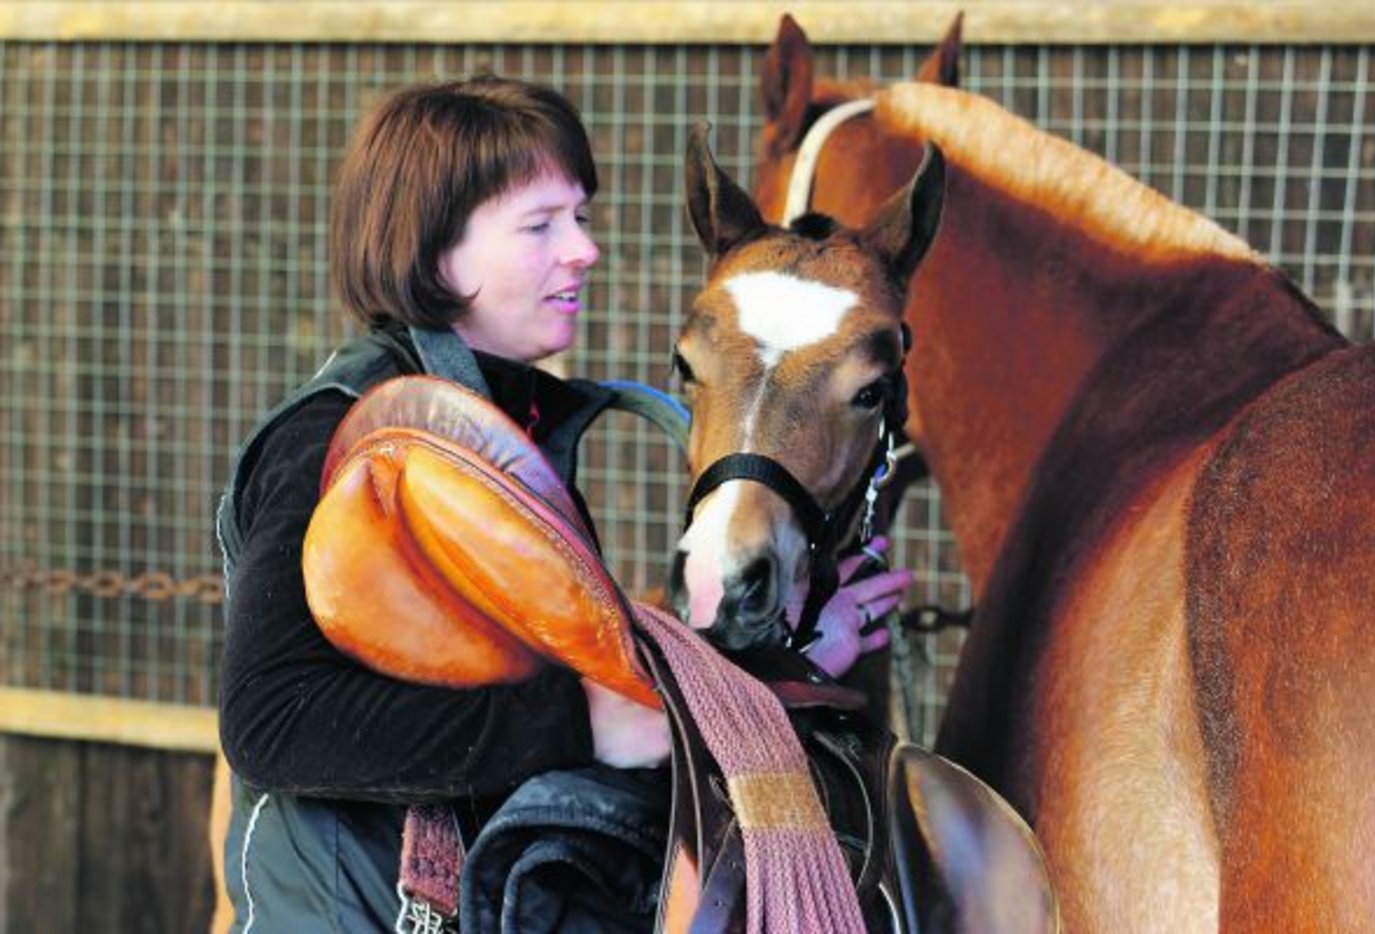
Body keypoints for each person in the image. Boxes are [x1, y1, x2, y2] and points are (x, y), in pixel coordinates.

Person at [215, 75, 912, 931]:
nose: (584, 250)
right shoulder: (340, 440)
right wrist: (575, 726)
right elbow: (271, 722)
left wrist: (785, 665)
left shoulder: (509, 423)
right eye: (541, 226)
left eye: (580, 218)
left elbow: (599, 692)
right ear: (437, 253)